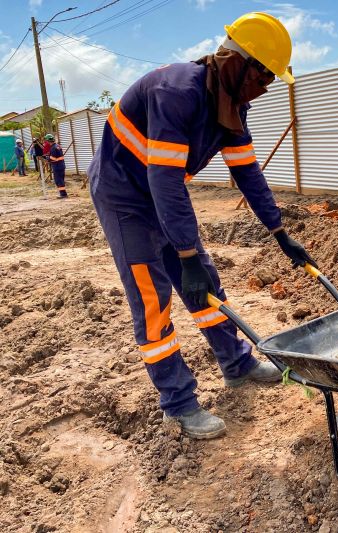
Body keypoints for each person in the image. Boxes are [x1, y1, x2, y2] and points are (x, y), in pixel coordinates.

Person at [88, 12, 314, 439]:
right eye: (262, 78)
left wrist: (280, 233)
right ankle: (177, 403)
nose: (264, 91)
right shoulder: (178, 91)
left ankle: (237, 364)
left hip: (162, 192)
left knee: (204, 282)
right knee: (153, 299)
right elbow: (164, 178)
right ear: (236, 62)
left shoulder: (230, 106)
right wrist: (185, 254)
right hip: (124, 196)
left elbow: (249, 174)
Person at [45, 134, 67, 198]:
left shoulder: (53, 148)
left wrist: (48, 158)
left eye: (47, 141)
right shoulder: (58, 146)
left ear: (48, 141)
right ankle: (63, 193)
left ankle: (63, 194)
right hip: (61, 165)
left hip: (57, 166)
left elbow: (54, 158)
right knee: (61, 179)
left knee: (58, 180)